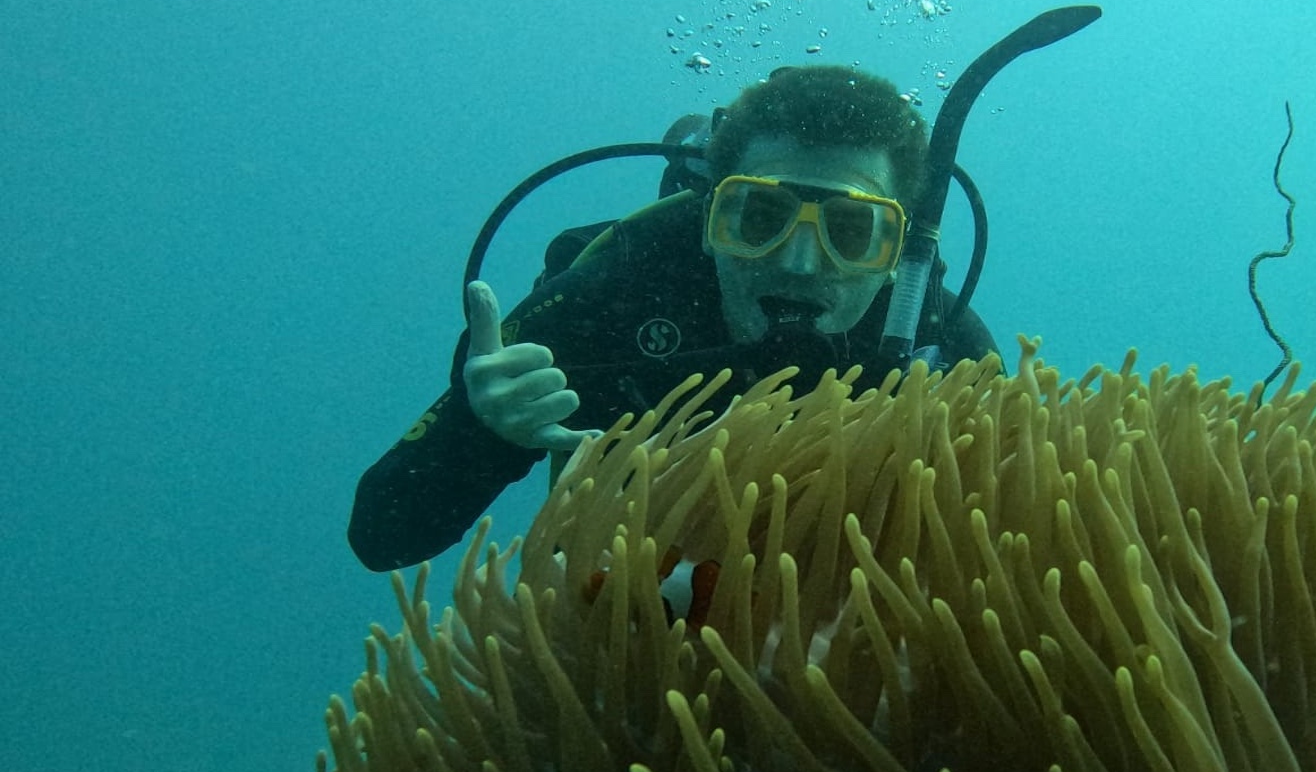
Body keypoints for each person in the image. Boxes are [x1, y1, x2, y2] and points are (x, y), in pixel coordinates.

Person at [348, 66, 999, 573]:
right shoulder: (611, 300)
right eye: (760, 218)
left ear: (899, 254)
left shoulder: (937, 342)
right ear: (709, 222)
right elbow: (380, 536)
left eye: (852, 231)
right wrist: (481, 433)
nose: (800, 263)